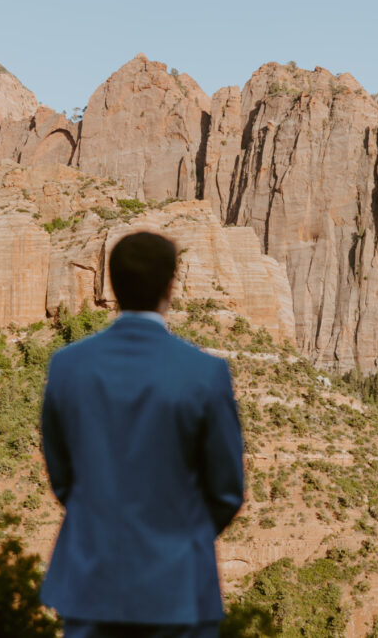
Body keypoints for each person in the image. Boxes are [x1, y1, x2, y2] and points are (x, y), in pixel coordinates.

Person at [40, 231, 245, 638]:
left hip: (91, 583)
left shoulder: (67, 366)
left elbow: (62, 476)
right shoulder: (205, 373)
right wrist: (183, 536)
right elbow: (226, 490)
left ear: (111, 283)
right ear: (171, 283)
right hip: (178, 590)